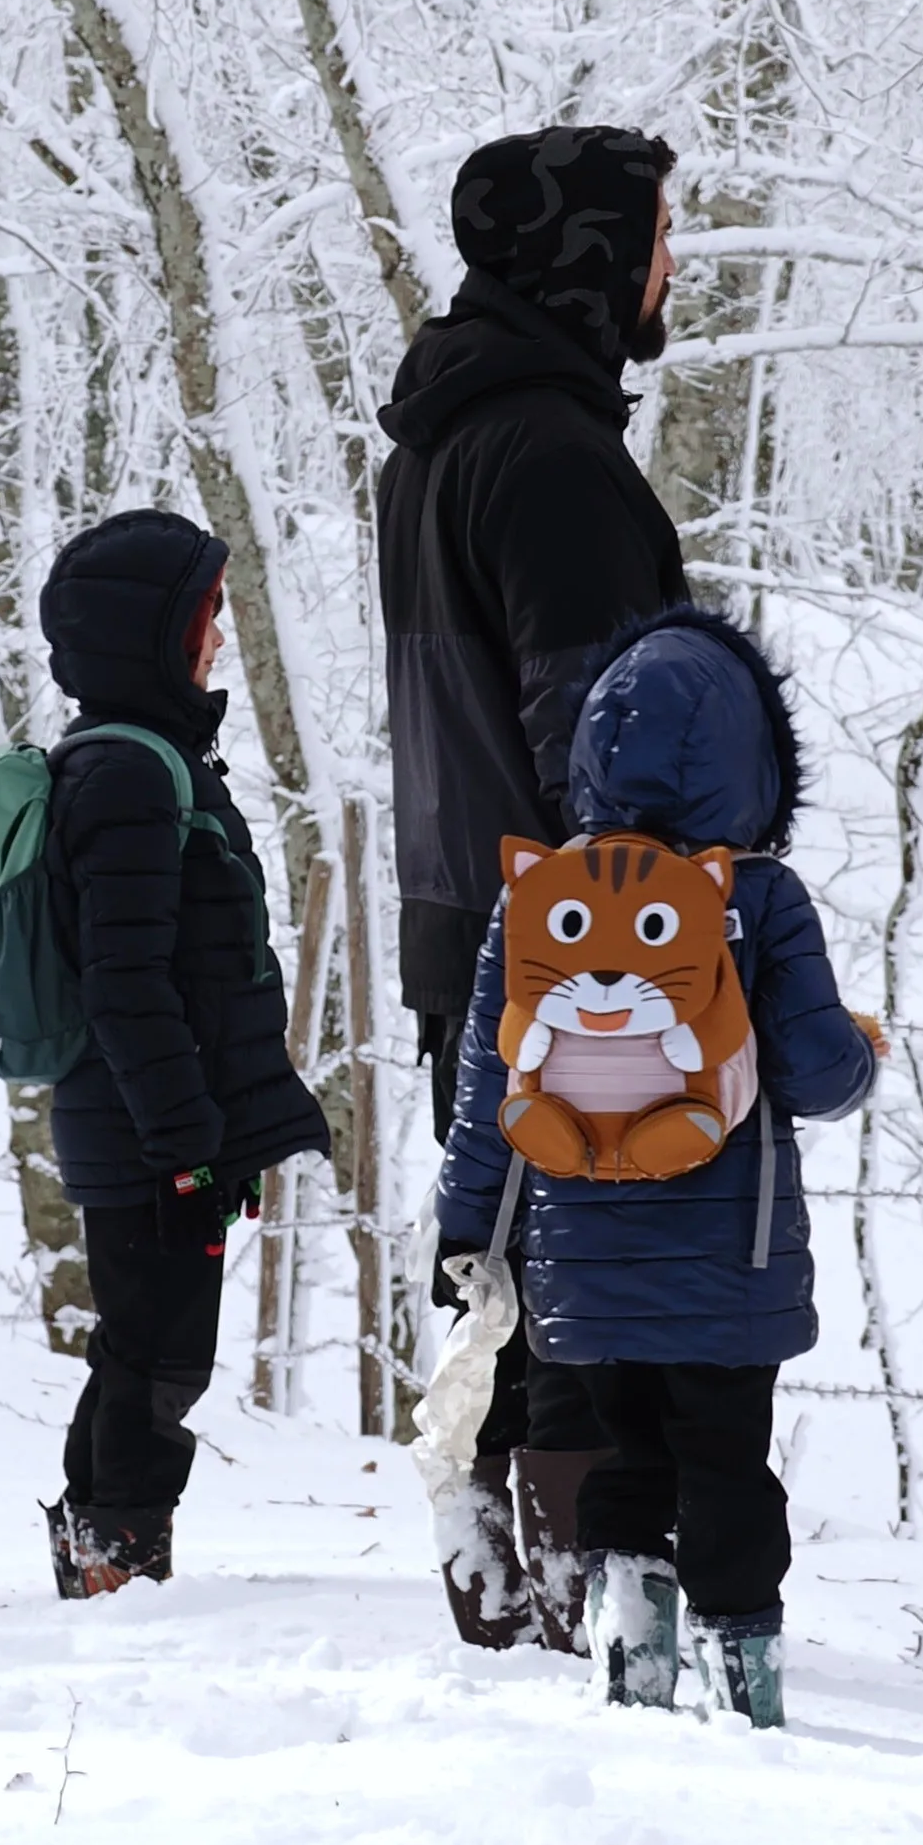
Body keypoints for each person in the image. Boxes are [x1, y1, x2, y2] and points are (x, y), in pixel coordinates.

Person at [428, 608, 879, 1725]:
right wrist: (861, 1051)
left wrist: (468, 1232)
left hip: (583, 1268)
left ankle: (631, 1667)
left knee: (629, 1459)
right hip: (733, 1264)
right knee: (727, 1469)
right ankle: (746, 1693)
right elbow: (819, 1076)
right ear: (755, 765)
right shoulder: (755, 898)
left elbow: (488, 1095)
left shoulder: (540, 900)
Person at [376, 125, 688, 1645]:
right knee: (590, 1278)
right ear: (589, 259)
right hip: (587, 934)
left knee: (499, 1257)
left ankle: (491, 1552)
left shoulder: (441, 439)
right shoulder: (554, 457)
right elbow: (597, 731)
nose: (668, 269)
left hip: (467, 915)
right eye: (652, 239)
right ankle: (583, 1585)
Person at [33, 507, 329, 1596]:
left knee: (147, 1347)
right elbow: (126, 981)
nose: (218, 641)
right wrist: (188, 1141)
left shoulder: (149, 761)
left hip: (154, 1123)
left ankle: (101, 1554)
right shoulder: (128, 775)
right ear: (144, 636)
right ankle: (116, 1564)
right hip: (146, 1130)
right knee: (156, 1355)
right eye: (203, 618)